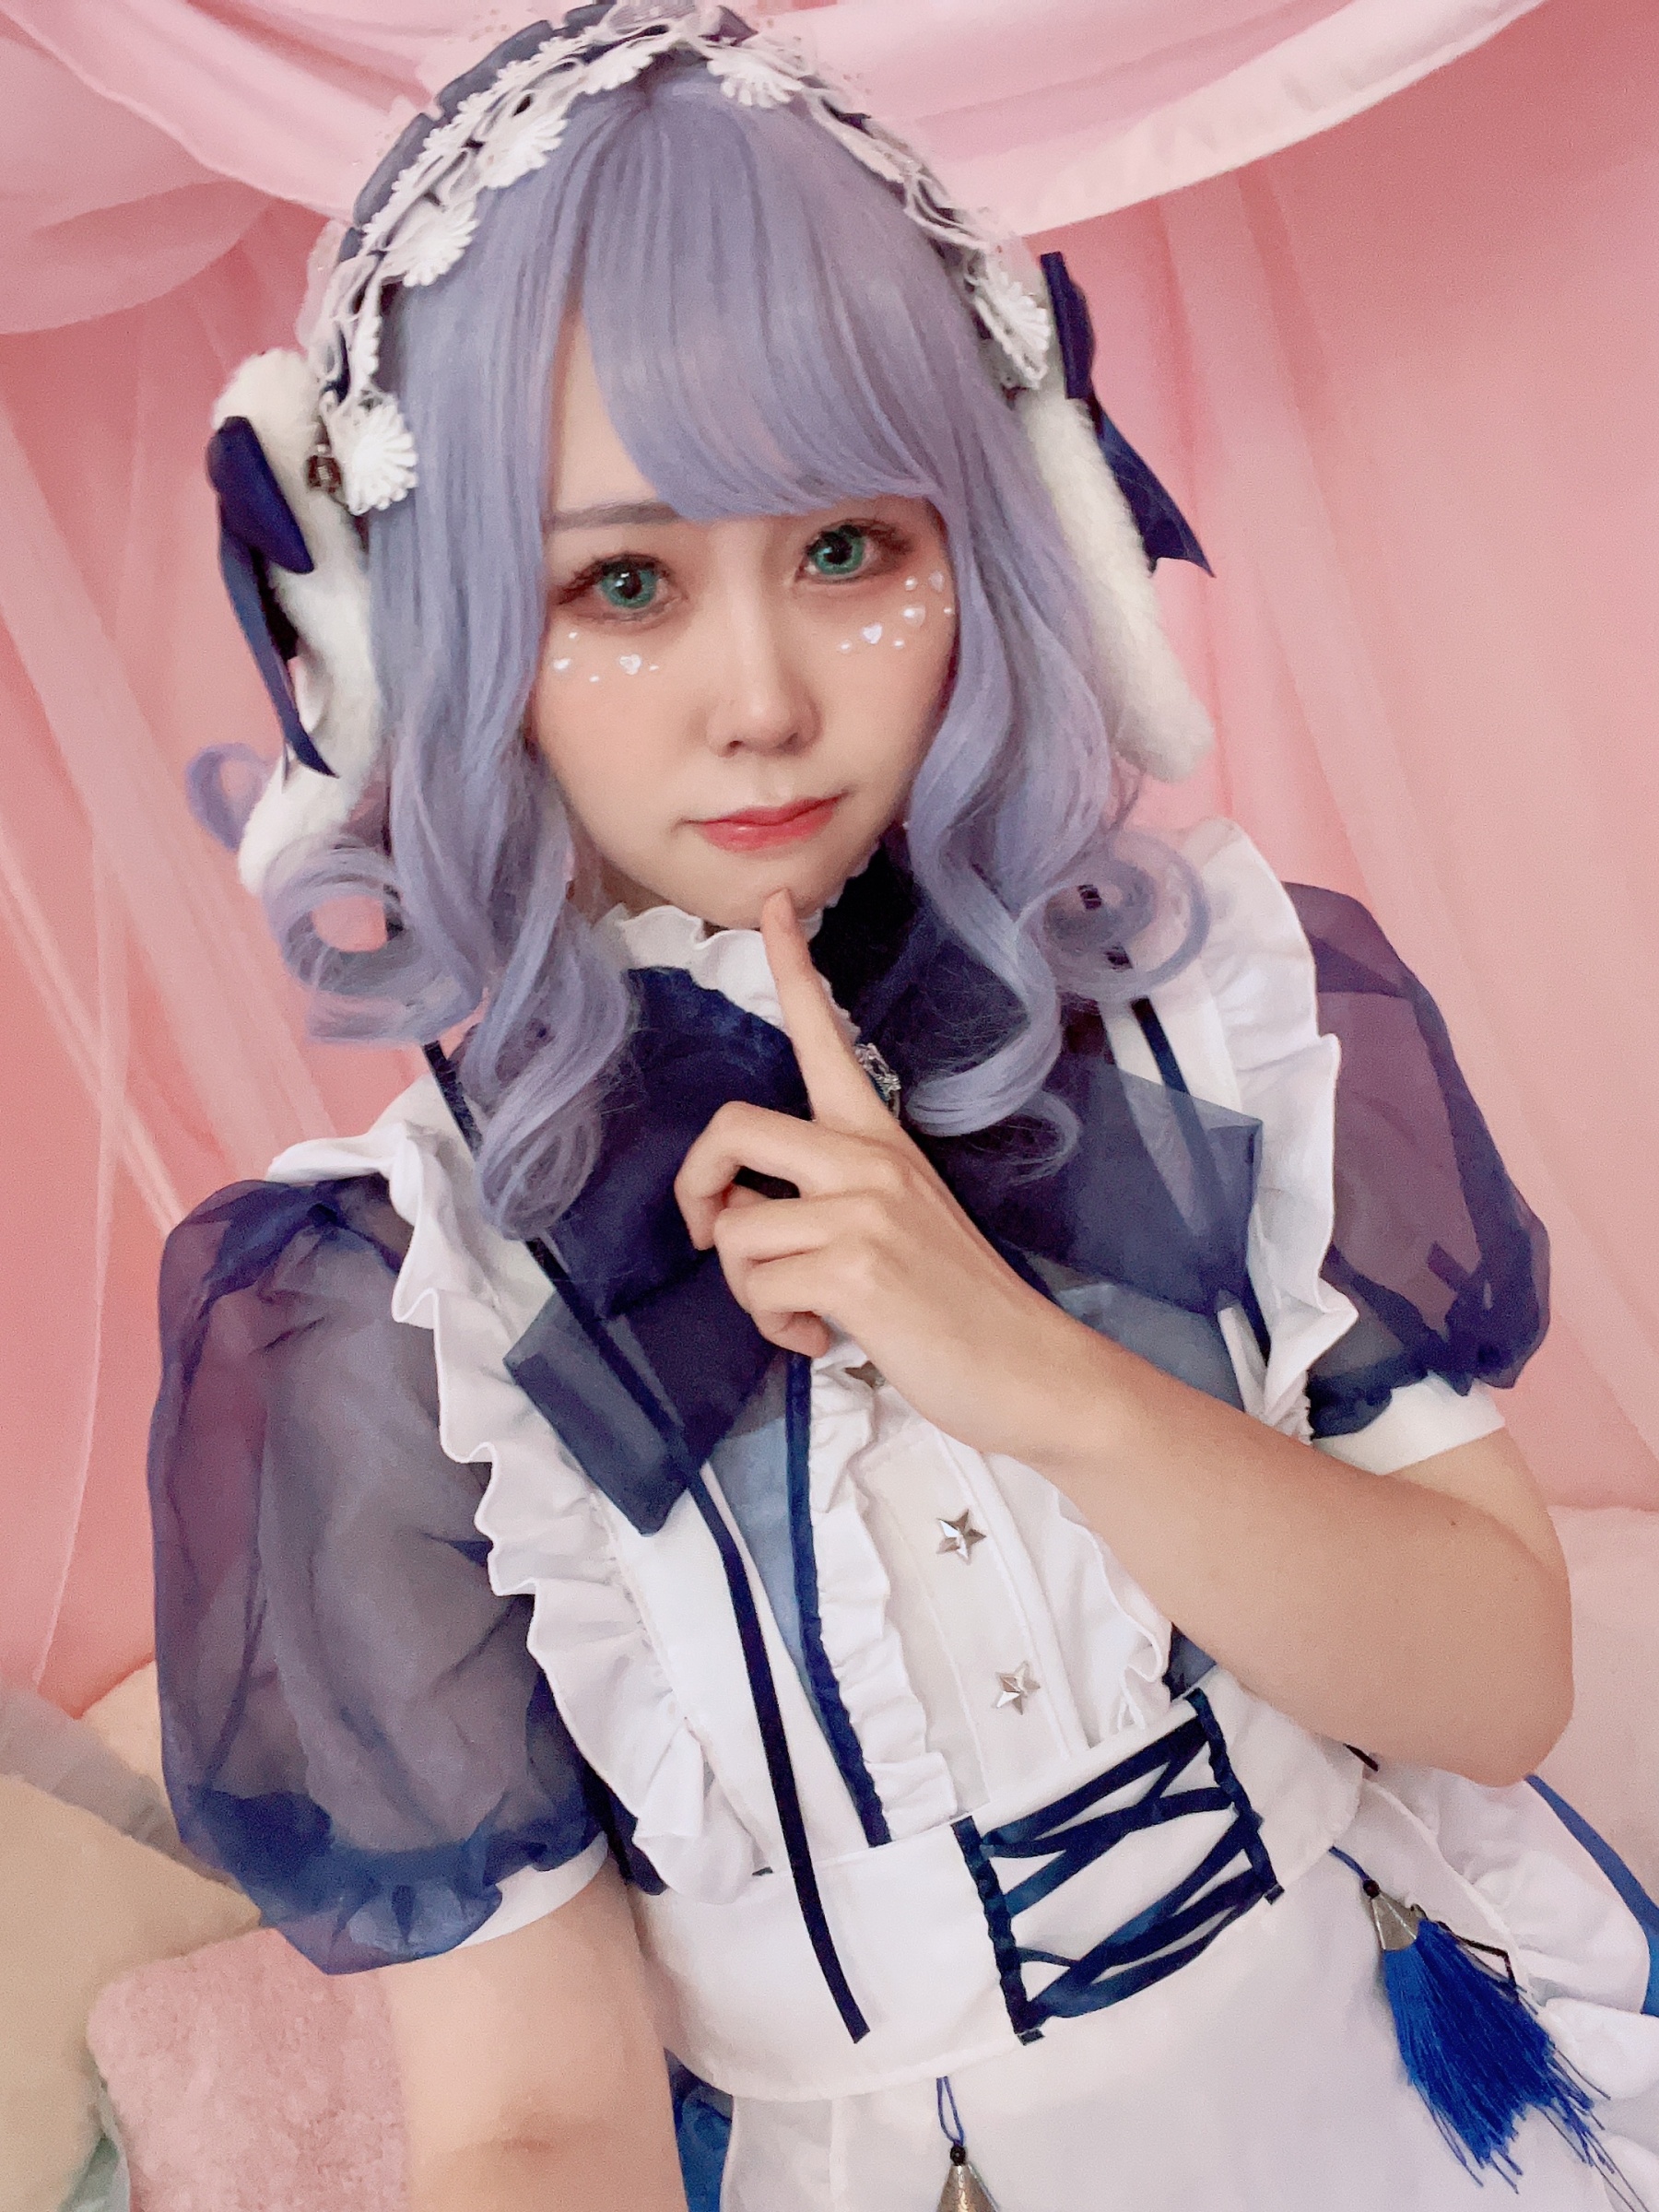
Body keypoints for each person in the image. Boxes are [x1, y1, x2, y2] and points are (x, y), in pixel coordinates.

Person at [149, 6, 1659, 2208]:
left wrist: (1030, 1372)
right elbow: (536, 2116)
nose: (763, 699)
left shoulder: (1214, 1003)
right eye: (623, 584)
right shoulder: (391, 1320)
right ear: (424, 635)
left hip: (1409, 2101)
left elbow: (1497, 1688)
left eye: (849, 549)